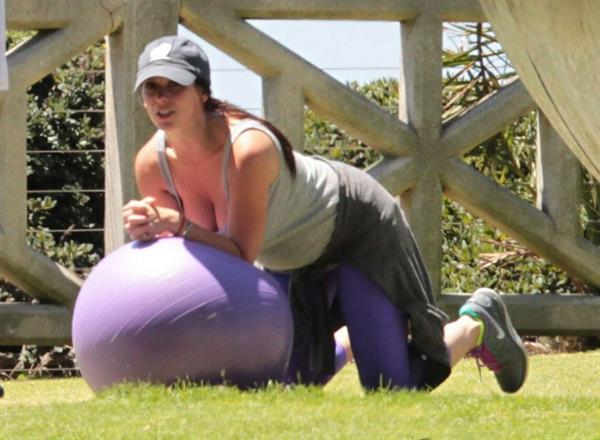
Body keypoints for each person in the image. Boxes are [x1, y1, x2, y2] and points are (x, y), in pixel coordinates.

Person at [122, 35, 528, 392]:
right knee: (290, 386)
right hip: (290, 258)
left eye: (174, 86)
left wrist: (179, 226)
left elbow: (240, 254)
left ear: (202, 92)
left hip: (356, 231)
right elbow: (193, 258)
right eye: (151, 88)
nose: (161, 99)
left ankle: (477, 324)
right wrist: (152, 231)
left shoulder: (248, 149)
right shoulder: (151, 164)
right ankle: (362, 333)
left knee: (394, 388)